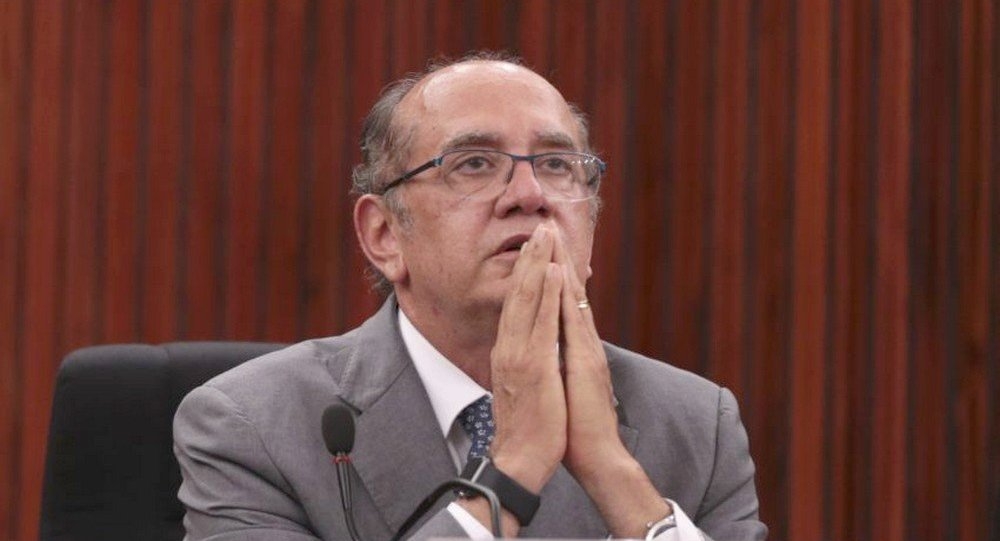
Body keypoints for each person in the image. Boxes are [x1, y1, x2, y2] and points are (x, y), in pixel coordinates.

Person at [173, 51, 766, 541]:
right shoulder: (253, 426)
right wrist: (513, 469)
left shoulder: (696, 425)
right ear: (384, 236)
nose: (530, 195)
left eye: (557, 164)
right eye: (475, 163)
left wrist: (613, 474)